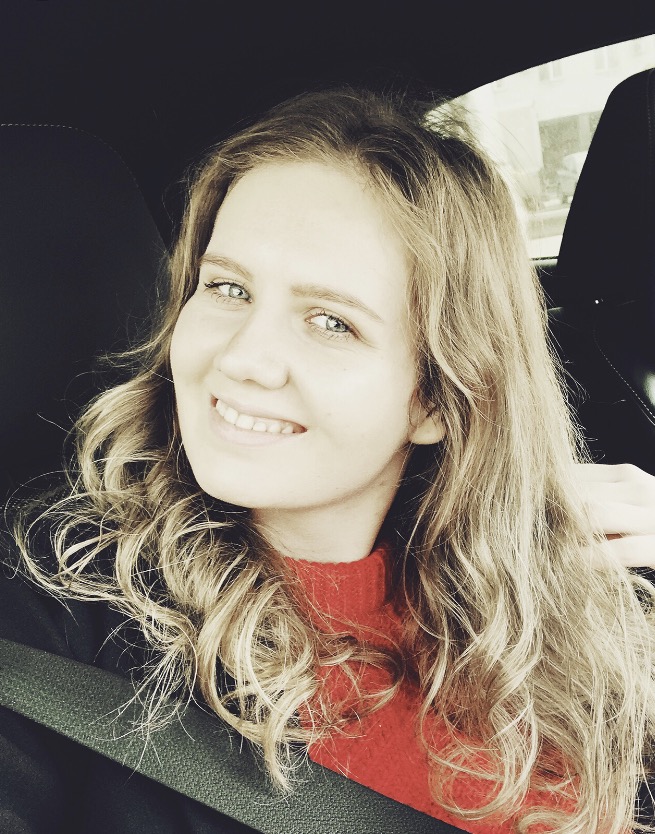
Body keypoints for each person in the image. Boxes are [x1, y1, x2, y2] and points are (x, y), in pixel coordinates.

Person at [2, 87, 655, 834]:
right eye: (227, 288)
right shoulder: (57, 608)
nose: (242, 359)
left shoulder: (564, 595)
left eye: (330, 322)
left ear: (436, 399)